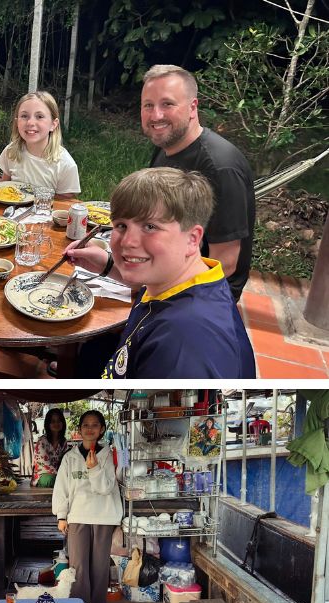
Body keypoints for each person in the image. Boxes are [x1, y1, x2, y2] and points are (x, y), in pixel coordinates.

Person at [64, 167, 255, 378]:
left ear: (192, 239)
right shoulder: (178, 278)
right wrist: (106, 265)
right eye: (121, 225)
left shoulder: (183, 344)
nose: (128, 241)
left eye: (150, 227)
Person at [140, 65, 255, 303]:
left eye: (167, 104)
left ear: (193, 107)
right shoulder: (166, 149)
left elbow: (226, 262)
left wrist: (149, 278)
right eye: (148, 105)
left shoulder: (221, 168)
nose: (156, 115)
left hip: (202, 294)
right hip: (162, 262)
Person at [52, 410, 122, 603]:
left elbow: (106, 488)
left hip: (104, 515)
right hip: (78, 515)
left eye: (94, 425)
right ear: (79, 430)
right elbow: (61, 488)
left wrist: (93, 469)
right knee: (78, 565)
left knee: (100, 563)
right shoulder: (70, 457)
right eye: (85, 425)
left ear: (101, 430)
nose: (89, 429)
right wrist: (61, 516)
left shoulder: (108, 455)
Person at [0, 91, 81, 198]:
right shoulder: (12, 151)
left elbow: (65, 205)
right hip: (11, 213)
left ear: (53, 124)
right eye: (24, 116)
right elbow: (5, 190)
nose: (30, 122)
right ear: (17, 122)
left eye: (39, 116)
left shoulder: (65, 164)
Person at [33, 407, 70, 483]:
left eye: (59, 421)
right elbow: (45, 465)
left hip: (59, 475)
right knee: (53, 479)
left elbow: (66, 460)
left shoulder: (63, 441)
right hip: (43, 476)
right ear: (48, 424)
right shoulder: (42, 441)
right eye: (53, 421)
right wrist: (61, 476)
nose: (56, 423)